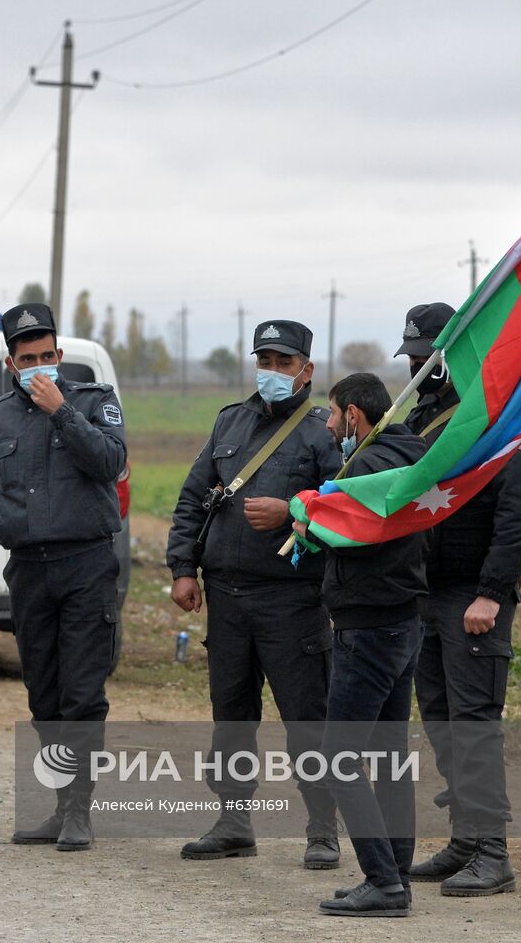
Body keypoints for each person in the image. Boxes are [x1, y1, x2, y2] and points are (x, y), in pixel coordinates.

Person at [165, 321, 343, 868]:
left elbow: (345, 516)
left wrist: (292, 510)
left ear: (306, 371)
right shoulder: (230, 423)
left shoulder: (322, 434)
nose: (270, 371)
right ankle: (233, 822)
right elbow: (194, 497)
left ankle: (322, 828)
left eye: (282, 363)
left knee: (306, 718)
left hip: (292, 600)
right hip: (227, 596)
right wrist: (183, 567)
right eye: (263, 360)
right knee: (232, 716)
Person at [395, 303, 521, 897]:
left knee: (474, 724)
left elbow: (519, 518)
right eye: (413, 358)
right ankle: (464, 840)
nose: (418, 368)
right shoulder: (422, 419)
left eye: (427, 357)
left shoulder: (500, 420)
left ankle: (493, 852)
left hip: (473, 598)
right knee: (441, 721)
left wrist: (492, 594)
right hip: (426, 594)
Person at [0, 303, 127, 852]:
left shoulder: (94, 403)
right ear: (10, 363)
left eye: (46, 356)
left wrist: (62, 411)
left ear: (60, 356)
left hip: (86, 564)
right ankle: (61, 806)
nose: (39, 366)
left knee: (83, 693)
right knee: (43, 693)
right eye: (27, 358)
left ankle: (80, 812)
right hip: (31, 570)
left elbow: (111, 463)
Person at [301, 372, 427, 918]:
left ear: (354, 415)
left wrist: (302, 511)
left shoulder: (369, 469)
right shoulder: (410, 454)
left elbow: (345, 531)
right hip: (404, 622)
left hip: (370, 627)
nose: (329, 426)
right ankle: (397, 873)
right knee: (389, 757)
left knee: (338, 758)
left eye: (331, 415)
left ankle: (383, 882)